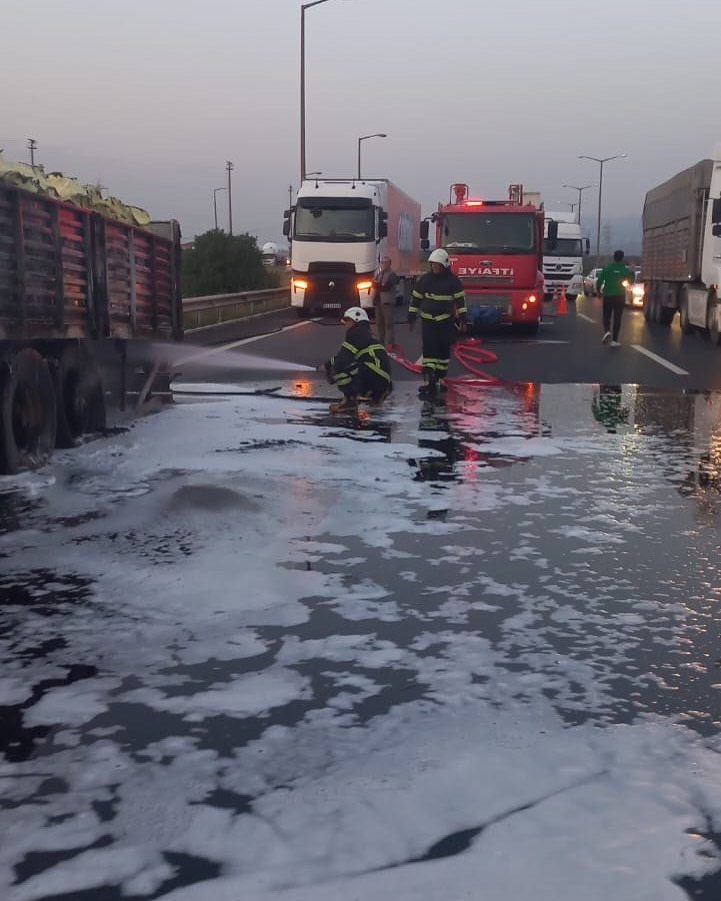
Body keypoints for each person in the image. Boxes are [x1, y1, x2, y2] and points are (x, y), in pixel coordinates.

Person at [408, 248, 467, 397]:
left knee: (443, 352)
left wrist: (463, 319)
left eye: (437, 264)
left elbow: (460, 302)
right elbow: (416, 299)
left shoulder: (453, 282)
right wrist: (411, 315)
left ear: (444, 265)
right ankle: (428, 379)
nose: (434, 267)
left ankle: (441, 377)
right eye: (432, 264)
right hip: (428, 323)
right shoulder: (425, 280)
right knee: (428, 351)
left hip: (445, 323)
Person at [319, 307, 393, 414]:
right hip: (384, 381)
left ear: (356, 319)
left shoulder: (355, 332)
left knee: (342, 367)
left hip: (374, 377)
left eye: (347, 320)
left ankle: (350, 403)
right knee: (348, 364)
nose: (346, 325)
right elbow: (349, 355)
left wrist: (327, 368)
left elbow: (343, 358)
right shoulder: (367, 333)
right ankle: (377, 398)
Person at [596, 250, 635, 347]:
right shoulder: (624, 270)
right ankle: (614, 340)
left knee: (606, 316)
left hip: (608, 296)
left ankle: (607, 331)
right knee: (617, 318)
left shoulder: (607, 269)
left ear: (614, 257)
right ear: (622, 258)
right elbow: (631, 281)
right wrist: (632, 271)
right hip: (620, 296)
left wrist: (598, 291)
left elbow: (599, 281)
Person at [372, 255, 399, 349]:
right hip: (378, 302)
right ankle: (380, 345)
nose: (383, 264)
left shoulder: (392, 274)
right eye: (382, 262)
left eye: (385, 262)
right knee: (379, 325)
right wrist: (376, 284)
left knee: (389, 325)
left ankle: (390, 346)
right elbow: (373, 284)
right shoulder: (379, 273)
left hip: (387, 303)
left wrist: (376, 284)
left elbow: (386, 287)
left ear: (389, 264)